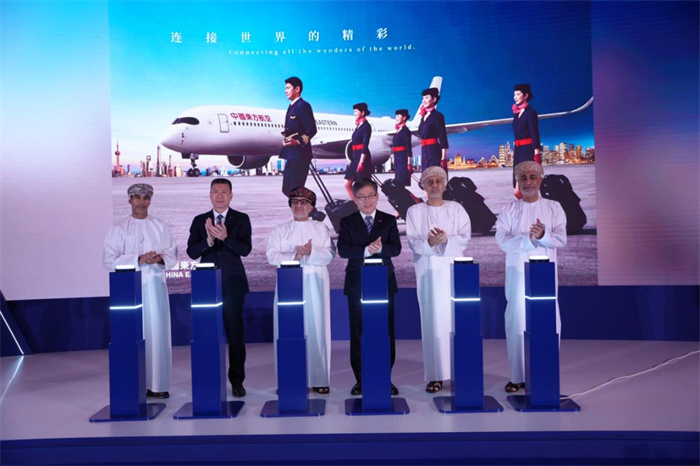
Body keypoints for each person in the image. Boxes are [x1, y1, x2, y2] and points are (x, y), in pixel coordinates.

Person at [496, 161, 566, 393]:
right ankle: (517, 376)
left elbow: (561, 239)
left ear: (540, 179)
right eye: (523, 178)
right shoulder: (509, 210)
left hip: (544, 274)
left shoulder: (554, 207)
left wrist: (543, 234)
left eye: (532, 177)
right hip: (517, 273)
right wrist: (529, 239)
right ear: (518, 181)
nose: (528, 182)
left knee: (546, 319)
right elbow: (502, 240)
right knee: (516, 319)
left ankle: (545, 373)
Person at [103, 183, 177, 399]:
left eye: (145, 198)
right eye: (137, 197)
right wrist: (137, 259)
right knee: (132, 335)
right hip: (129, 291)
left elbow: (172, 255)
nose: (141, 202)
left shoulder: (161, 227)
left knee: (157, 334)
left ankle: (157, 385)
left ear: (150, 201)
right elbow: (108, 260)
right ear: (130, 200)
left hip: (155, 288)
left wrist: (159, 259)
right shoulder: (118, 229)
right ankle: (132, 384)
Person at [405, 167, 471, 393]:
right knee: (432, 321)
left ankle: (460, 373)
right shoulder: (414, 211)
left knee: (457, 322)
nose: (434, 185)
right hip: (428, 273)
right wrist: (430, 243)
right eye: (430, 181)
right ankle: (435, 375)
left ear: (445, 184)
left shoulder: (456, 208)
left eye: (438, 181)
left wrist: (445, 240)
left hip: (454, 271)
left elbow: (465, 237)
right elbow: (413, 241)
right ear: (422, 185)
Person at [266, 187, 336, 394]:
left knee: (317, 327)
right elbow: (272, 256)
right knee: (287, 330)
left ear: (311, 207)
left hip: (315, 282)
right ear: (290, 205)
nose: (299, 206)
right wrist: (295, 257)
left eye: (304, 202)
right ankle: (289, 379)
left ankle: (319, 379)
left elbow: (330, 255)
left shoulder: (321, 229)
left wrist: (311, 252)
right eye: (295, 202)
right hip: (288, 284)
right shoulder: (280, 230)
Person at [187, 178, 252, 398]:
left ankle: (237, 381)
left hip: (232, 284)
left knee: (235, 334)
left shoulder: (241, 219)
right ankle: (209, 380)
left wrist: (226, 238)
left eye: (224, 191)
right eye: (215, 191)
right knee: (207, 334)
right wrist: (208, 240)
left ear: (231, 195)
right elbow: (192, 253)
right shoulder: (200, 220)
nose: (220, 195)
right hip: (206, 285)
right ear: (210, 195)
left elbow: (245, 249)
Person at [337, 179, 401, 396]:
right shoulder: (347, 221)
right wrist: (366, 251)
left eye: (370, 195)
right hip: (357, 282)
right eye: (362, 197)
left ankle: (385, 377)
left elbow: (396, 248)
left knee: (386, 331)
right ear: (355, 199)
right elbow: (344, 250)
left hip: (384, 282)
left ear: (377, 196)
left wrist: (380, 249)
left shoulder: (388, 220)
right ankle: (361, 380)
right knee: (358, 332)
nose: (367, 200)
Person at [280, 76, 318, 197]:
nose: (285, 91)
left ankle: (308, 206)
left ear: (297, 89)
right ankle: (308, 206)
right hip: (291, 154)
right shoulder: (291, 107)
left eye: (288, 88)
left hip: (301, 155)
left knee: (295, 189)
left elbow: (312, 129)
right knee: (286, 189)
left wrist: (297, 141)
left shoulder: (303, 106)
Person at [512, 83, 541, 198]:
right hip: (518, 151)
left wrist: (536, 153)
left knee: (525, 186)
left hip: (527, 151)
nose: (515, 97)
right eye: (514, 95)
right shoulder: (516, 114)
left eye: (518, 94)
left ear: (526, 95)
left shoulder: (531, 113)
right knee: (517, 188)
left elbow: (534, 133)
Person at [343, 103, 373, 199]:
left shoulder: (366, 126)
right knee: (347, 183)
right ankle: (356, 202)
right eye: (354, 111)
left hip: (362, 158)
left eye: (356, 111)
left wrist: (361, 162)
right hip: (355, 158)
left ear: (363, 112)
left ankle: (362, 204)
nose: (354, 113)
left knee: (361, 186)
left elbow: (365, 145)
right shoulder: (358, 126)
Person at [418, 87, 448, 171]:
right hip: (424, 151)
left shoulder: (438, 116)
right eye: (423, 98)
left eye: (426, 98)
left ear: (434, 99)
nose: (424, 100)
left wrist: (443, 158)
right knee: (425, 175)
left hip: (434, 151)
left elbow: (442, 136)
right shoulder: (423, 118)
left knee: (434, 174)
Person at [391, 109, 413, 186]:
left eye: (398, 116)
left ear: (404, 118)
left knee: (401, 180)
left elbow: (408, 147)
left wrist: (409, 163)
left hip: (403, 158)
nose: (396, 118)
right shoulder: (398, 131)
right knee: (398, 180)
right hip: (397, 157)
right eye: (396, 116)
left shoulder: (406, 131)